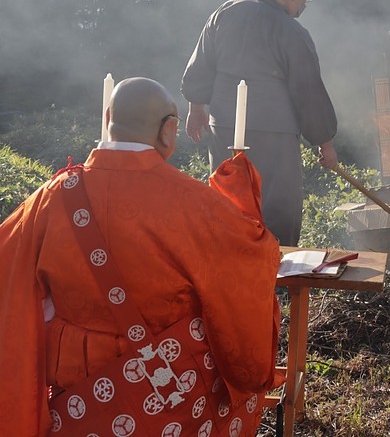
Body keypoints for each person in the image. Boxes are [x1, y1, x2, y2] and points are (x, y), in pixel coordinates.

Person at [0, 77, 284, 436]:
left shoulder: (49, 199)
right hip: (170, 392)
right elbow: (248, 260)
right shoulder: (195, 203)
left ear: (107, 120)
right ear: (169, 130)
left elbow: (7, 271)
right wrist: (241, 197)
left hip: (77, 388)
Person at [181, 0, 339, 247]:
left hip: (225, 130)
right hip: (273, 137)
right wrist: (325, 143)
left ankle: (228, 276)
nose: (305, 3)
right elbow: (308, 92)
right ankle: (272, 281)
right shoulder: (292, 32)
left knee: (228, 201)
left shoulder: (226, 11)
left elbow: (202, 64)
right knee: (276, 209)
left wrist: (196, 108)